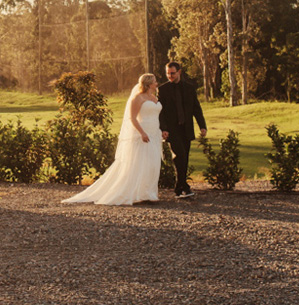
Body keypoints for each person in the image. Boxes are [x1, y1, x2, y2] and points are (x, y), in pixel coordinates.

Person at [62, 73, 162, 206]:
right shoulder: (137, 98)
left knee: (152, 164)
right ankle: (139, 194)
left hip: (155, 133)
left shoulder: (154, 97)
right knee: (140, 163)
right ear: (148, 83)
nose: (156, 83)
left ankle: (149, 193)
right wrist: (142, 133)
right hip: (143, 135)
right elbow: (132, 118)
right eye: (154, 81)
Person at [158, 61, 207, 198]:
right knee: (180, 156)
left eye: (172, 73)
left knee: (184, 158)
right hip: (172, 130)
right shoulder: (163, 90)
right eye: (168, 74)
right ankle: (184, 186)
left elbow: (197, 109)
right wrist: (163, 129)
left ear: (179, 72)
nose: (170, 76)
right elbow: (160, 112)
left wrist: (202, 126)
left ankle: (179, 187)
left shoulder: (190, 88)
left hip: (186, 129)